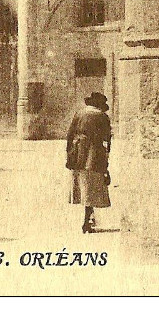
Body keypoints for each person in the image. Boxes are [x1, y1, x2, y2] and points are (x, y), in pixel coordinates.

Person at [66, 92, 112, 233]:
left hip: (78, 153)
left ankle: (88, 219)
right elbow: (106, 140)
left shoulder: (79, 113)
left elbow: (70, 134)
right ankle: (88, 220)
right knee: (92, 186)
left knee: (84, 185)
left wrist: (70, 154)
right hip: (94, 154)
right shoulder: (102, 116)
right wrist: (106, 162)